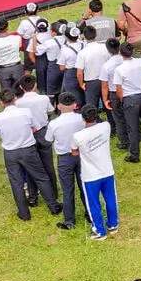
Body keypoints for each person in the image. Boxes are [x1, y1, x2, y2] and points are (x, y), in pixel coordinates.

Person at [0, 84, 60, 221]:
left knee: (16, 183)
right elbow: (35, 127)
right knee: (41, 177)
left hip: (10, 152)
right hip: (28, 149)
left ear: (1, 102)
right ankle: (53, 206)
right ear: (15, 99)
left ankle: (24, 213)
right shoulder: (25, 112)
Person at [71, 107, 119, 240]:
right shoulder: (106, 126)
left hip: (90, 175)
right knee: (110, 198)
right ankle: (113, 224)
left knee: (93, 203)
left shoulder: (78, 136)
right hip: (107, 170)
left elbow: (74, 152)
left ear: (83, 118)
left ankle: (99, 230)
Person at [48, 93, 87, 230]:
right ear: (75, 105)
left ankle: (69, 221)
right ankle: (90, 213)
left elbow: (48, 139)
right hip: (81, 155)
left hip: (64, 158)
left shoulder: (54, 124)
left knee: (67, 189)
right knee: (84, 186)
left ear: (58, 106)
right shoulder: (81, 118)